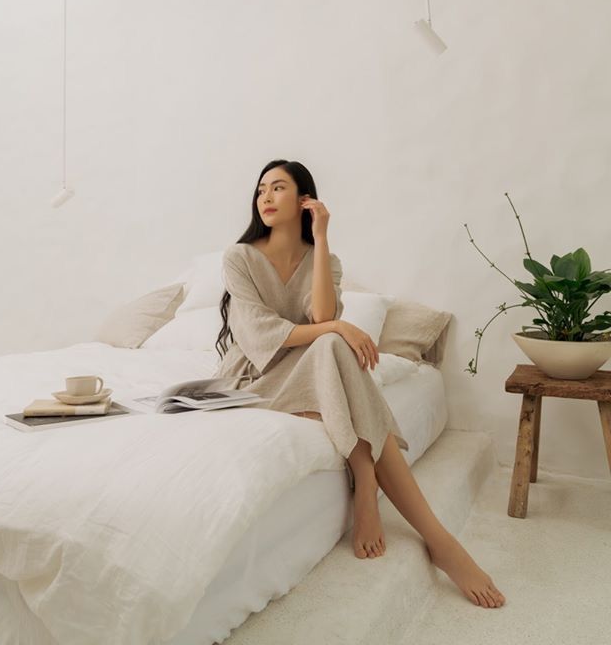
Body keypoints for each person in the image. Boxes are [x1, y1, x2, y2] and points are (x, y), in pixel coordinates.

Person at [214, 159, 506, 609]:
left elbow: (322, 318)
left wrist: (323, 238)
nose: (266, 198)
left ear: (304, 199)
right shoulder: (240, 257)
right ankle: (381, 490)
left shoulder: (325, 261)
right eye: (260, 191)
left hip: (313, 365)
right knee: (335, 343)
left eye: (278, 188)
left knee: (332, 347)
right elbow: (258, 334)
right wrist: (341, 331)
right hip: (257, 378)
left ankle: (414, 519)